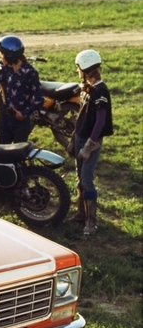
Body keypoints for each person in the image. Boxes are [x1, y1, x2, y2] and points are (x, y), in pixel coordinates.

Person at [66, 49, 113, 236]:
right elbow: (81, 116)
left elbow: (100, 121)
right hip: (80, 136)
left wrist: (89, 145)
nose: (78, 71)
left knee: (87, 180)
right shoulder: (87, 87)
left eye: (78, 68)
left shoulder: (101, 90)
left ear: (85, 68)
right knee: (79, 178)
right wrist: (73, 139)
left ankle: (92, 222)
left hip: (90, 140)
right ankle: (81, 213)